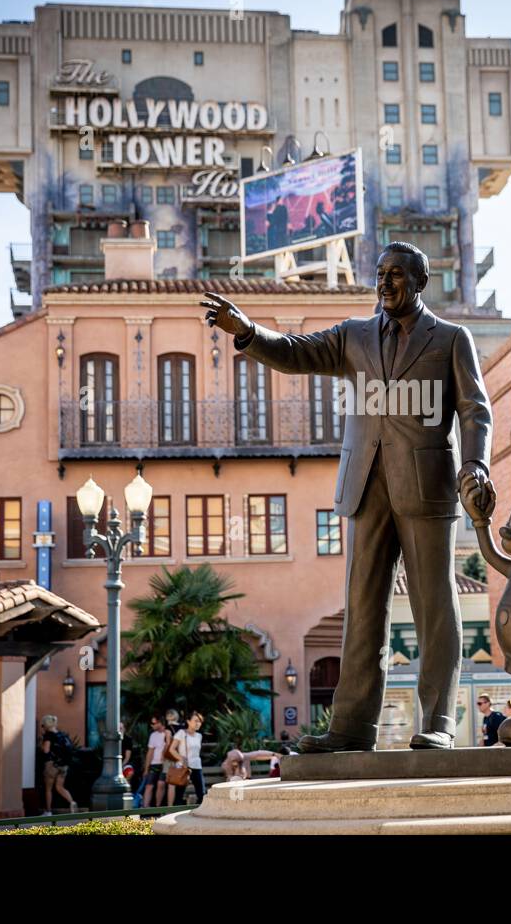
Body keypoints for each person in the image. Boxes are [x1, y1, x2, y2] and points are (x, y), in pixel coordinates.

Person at [202, 239, 492, 753]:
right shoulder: (353, 336)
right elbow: (295, 353)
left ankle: (440, 721)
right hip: (364, 487)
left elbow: (475, 410)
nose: (385, 282)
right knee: (362, 611)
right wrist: (247, 332)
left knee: (435, 606)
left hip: (427, 486)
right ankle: (352, 729)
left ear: (419, 282)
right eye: (380, 273)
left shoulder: (450, 338)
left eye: (397, 274)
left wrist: (475, 464)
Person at [39, 714, 78, 815]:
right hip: (64, 765)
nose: (42, 728)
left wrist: (42, 745)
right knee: (60, 787)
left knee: (48, 789)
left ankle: (48, 812)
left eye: (42, 725)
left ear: (46, 725)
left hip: (52, 765)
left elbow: (46, 750)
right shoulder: (61, 735)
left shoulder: (49, 735)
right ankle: (72, 802)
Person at [170, 711, 205, 806]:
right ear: (188, 721)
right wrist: (181, 759)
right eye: (196, 721)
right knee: (179, 795)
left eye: (200, 721)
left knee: (202, 794)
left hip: (197, 767)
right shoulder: (181, 733)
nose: (198, 723)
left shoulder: (199, 736)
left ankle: (198, 816)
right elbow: (171, 749)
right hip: (184, 767)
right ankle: (174, 816)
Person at [139, 715, 169, 807]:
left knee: (161, 785)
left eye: (154, 723)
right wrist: (146, 769)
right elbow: (150, 752)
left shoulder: (168, 732)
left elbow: (169, 746)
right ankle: (145, 808)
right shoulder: (153, 735)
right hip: (154, 764)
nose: (152, 725)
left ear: (160, 722)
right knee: (149, 786)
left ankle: (158, 808)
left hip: (165, 764)